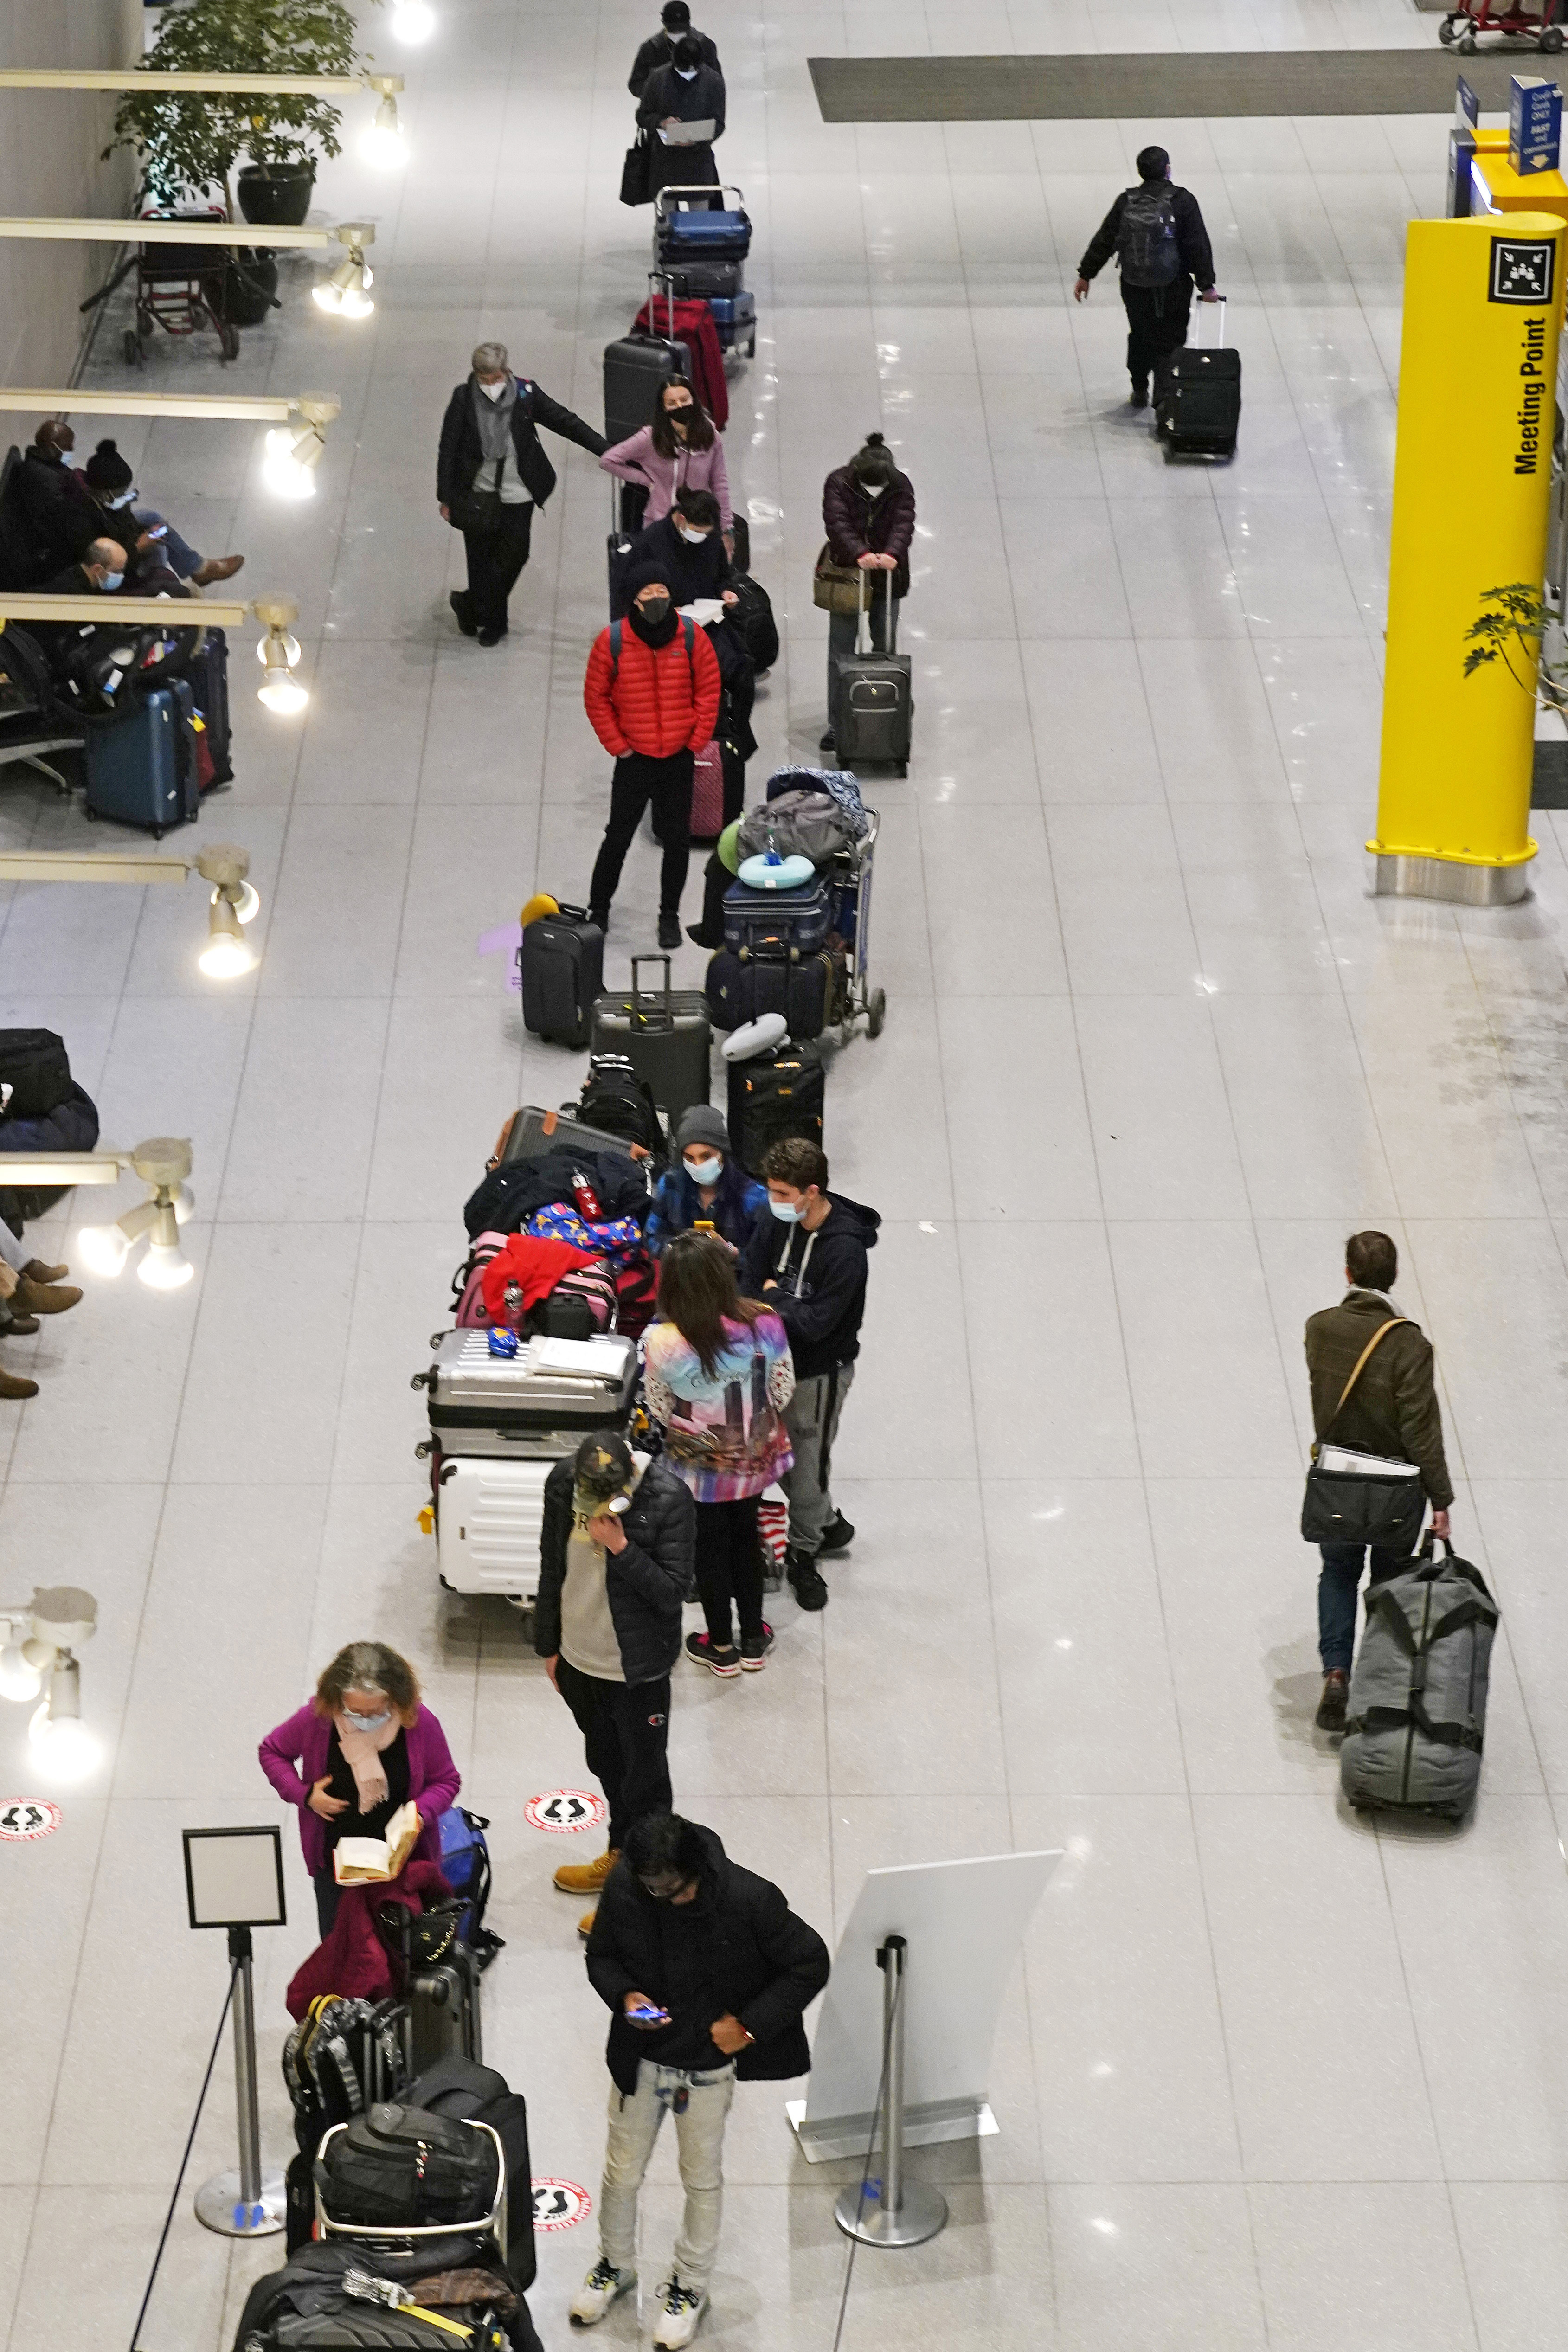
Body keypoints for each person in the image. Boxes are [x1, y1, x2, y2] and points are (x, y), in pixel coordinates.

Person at [572, 1811, 830, 2349]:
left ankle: (689, 2286)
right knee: (620, 2173)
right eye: (655, 1891)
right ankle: (614, 2266)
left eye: (679, 1891)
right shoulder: (625, 1886)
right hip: (640, 2055)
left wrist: (750, 2027)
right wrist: (625, 1996)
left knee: (700, 2178)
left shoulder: (749, 1899)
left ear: (697, 1872)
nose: (668, 1900)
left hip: (707, 2069)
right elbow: (601, 1955)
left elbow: (809, 1961)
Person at [535, 1430, 695, 1935]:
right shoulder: (563, 1482)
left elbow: (673, 1593)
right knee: (605, 1763)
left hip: (637, 1668)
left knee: (646, 1784)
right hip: (580, 1660)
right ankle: (621, 1856)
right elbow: (551, 1565)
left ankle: (645, 1896)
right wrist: (549, 1644)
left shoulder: (669, 1498)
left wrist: (621, 1547)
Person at [1304, 1232, 1453, 1733]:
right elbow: (1419, 1428)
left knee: (1338, 1573)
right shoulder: (1410, 1344)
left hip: (1339, 1479)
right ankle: (1377, 1687)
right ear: (1393, 1278)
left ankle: (1336, 1671)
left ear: (1347, 1274)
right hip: (1395, 1489)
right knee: (1389, 1583)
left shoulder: (1319, 1328)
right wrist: (1439, 1497)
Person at [643, 1233, 794, 1675]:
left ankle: (720, 1644)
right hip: (752, 1459)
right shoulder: (765, 1323)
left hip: (696, 1468)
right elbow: (782, 1391)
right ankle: (753, 1638)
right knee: (746, 1540)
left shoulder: (663, 1341)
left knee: (708, 1549)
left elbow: (658, 1407)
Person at [739, 1139, 879, 1613]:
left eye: (782, 1193)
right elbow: (747, 1279)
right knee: (765, 1455)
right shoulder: (772, 1218)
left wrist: (773, 1297)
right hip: (767, 1363)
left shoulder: (844, 1253)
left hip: (816, 1377)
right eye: (770, 1191)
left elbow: (818, 1327)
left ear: (811, 1191)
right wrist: (776, 1300)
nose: (772, 1202)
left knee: (805, 1467)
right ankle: (829, 1524)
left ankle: (803, 1551)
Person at [259, 1641, 461, 1938]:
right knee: (341, 1951)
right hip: (337, 1868)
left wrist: (419, 1813)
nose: (365, 1721)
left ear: (395, 1699)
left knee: (401, 1950)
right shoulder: (317, 1719)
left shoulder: (418, 1722)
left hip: (404, 1863)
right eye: (355, 1712)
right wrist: (305, 1796)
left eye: (376, 1712)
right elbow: (272, 1752)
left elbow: (447, 1780)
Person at [584, 559, 722, 949]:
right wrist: (619, 746)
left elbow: (709, 690)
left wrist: (696, 740)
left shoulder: (691, 637)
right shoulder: (612, 642)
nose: (658, 597)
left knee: (677, 841)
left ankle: (669, 916)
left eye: (663, 591)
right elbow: (596, 698)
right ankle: (599, 910)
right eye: (649, 592)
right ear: (635, 599)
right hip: (635, 760)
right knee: (617, 837)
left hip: (678, 757)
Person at [437, 341, 607, 647]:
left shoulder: (526, 395)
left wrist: (607, 451)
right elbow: (448, 448)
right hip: (477, 493)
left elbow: (565, 422)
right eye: (484, 380)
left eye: (496, 378)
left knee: (515, 556)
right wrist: (445, 497)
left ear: (507, 371)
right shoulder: (463, 399)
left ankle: (471, 604)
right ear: (475, 376)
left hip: (520, 493)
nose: (491, 386)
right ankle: (494, 624)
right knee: (480, 562)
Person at [1073, 144, 1220, 410]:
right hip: (1173, 284)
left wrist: (1086, 274)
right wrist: (1206, 285)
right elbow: (1197, 245)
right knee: (1171, 341)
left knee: (1141, 335)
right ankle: (1164, 402)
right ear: (1167, 170)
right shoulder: (1183, 201)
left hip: (1134, 283)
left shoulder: (1126, 201)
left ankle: (1140, 388)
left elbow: (1105, 239)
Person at [621, 489, 755, 758]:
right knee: (706, 680)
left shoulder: (711, 540)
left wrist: (726, 592)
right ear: (681, 519)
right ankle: (707, 745)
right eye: (697, 531)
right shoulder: (651, 544)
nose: (702, 538)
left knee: (742, 672)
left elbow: (721, 577)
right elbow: (629, 595)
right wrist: (664, 609)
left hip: (709, 623)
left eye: (707, 533)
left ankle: (734, 740)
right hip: (666, 630)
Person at [818, 431, 914, 754]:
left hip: (889, 577)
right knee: (841, 650)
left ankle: (890, 706)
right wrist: (859, 552)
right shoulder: (838, 483)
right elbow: (836, 522)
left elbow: (904, 523)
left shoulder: (900, 484)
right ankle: (837, 722)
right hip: (848, 575)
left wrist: (892, 554)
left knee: (885, 645)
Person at [77, 437, 244, 586]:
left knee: (153, 520)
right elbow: (104, 559)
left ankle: (198, 568)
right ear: (105, 492)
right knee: (159, 549)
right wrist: (138, 547)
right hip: (111, 563)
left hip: (121, 539)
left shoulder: (108, 502)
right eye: (121, 493)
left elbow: (123, 523)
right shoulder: (85, 522)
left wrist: (146, 533)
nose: (125, 498)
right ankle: (162, 584)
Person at [601, 379, 733, 542]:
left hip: (700, 526)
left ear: (694, 400)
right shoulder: (650, 438)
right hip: (661, 526)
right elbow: (608, 460)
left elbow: (720, 483)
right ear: (664, 408)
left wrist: (727, 527)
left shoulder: (711, 436)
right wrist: (644, 480)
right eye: (672, 403)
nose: (680, 406)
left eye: (684, 400)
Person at [646, 1105, 765, 1257]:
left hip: (731, 1278)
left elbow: (762, 1260)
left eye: (706, 1156)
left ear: (722, 1153)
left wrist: (730, 1251)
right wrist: (683, 1250)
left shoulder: (754, 1197)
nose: (698, 1165)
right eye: (690, 1158)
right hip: (681, 1274)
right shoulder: (670, 1184)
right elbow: (651, 1236)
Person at [637, 32, 726, 203]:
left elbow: (719, 124)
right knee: (666, 222)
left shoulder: (714, 82)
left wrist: (696, 138)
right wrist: (662, 122)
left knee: (698, 222)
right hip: (665, 163)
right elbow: (642, 115)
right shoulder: (658, 78)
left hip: (698, 163)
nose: (687, 72)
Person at [629, 0, 719, 98]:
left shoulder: (705, 46)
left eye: (681, 27)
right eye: (673, 27)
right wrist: (660, 94)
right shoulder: (651, 49)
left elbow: (717, 84)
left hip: (697, 108)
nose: (677, 32)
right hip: (662, 110)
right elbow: (636, 84)